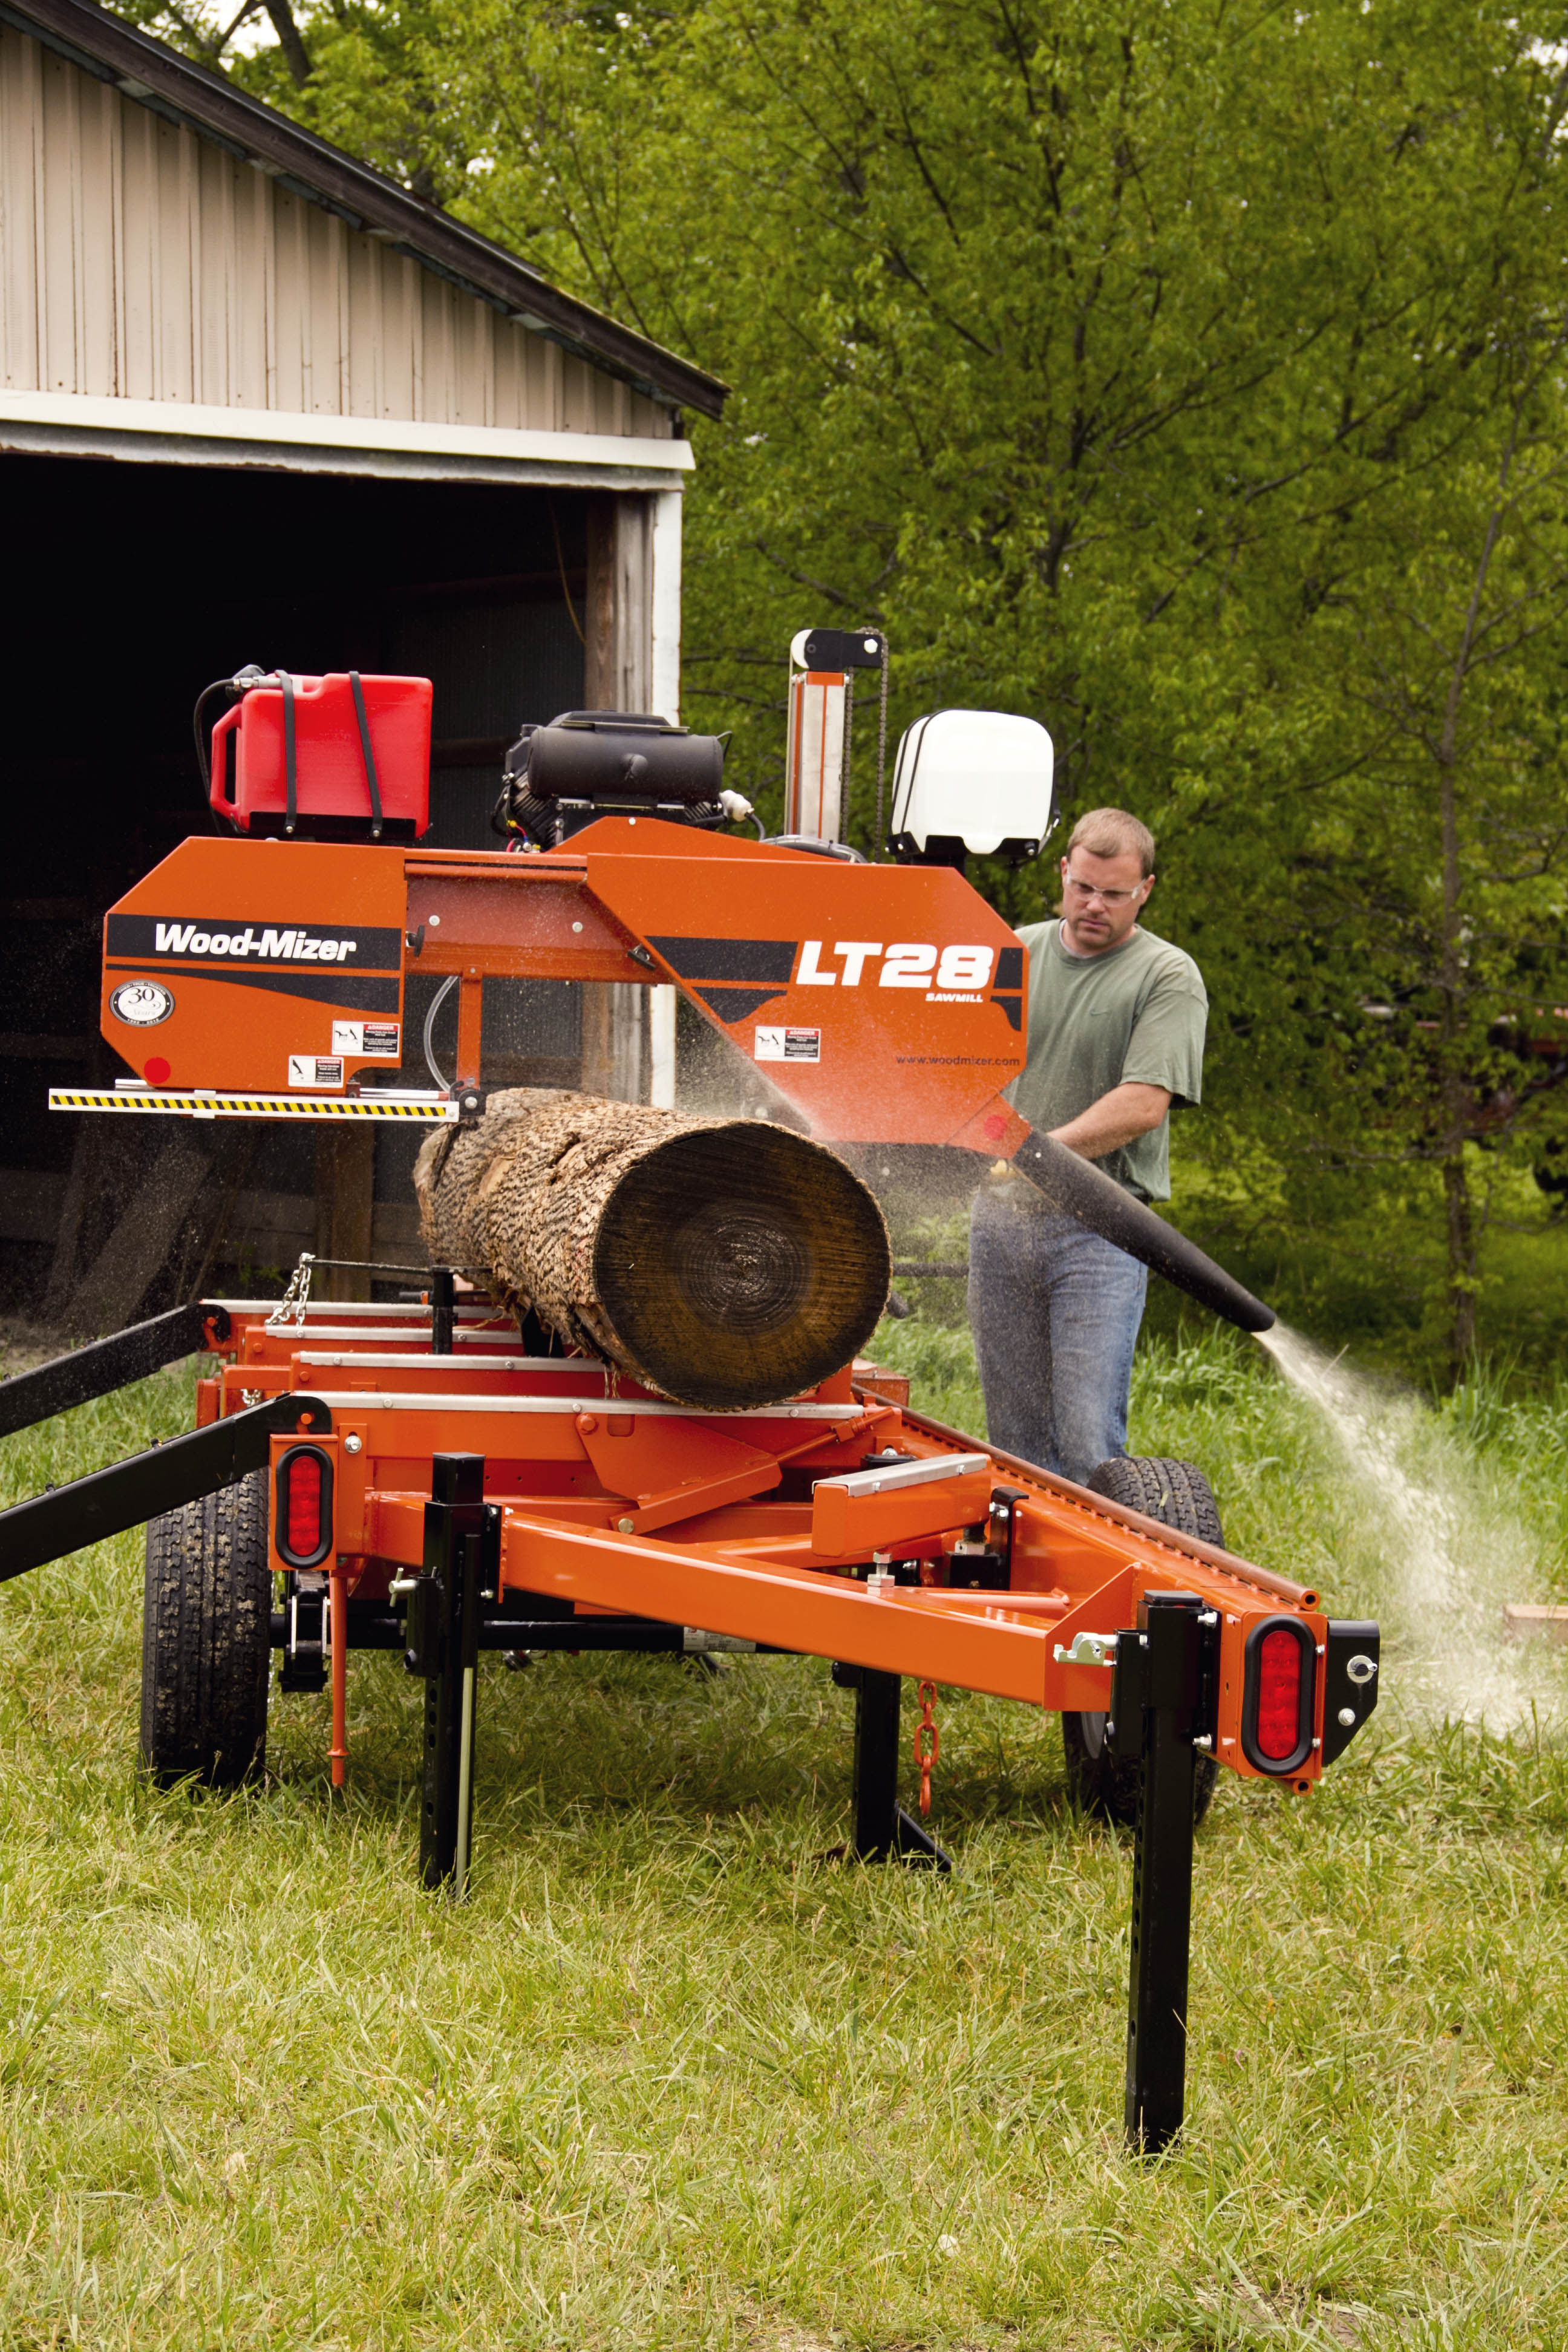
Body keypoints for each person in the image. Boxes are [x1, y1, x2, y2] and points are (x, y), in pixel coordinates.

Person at [967, 806, 1207, 1486]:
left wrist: (1028, 1152)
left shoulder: (1166, 975)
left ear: (1146, 890)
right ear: (1063, 873)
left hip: (1100, 1227)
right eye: (1084, 888)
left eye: (1115, 894)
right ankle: (1027, 1553)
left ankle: (1097, 1551)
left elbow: (1143, 1105)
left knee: (1087, 1441)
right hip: (1000, 1222)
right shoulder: (1012, 954)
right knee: (1013, 1442)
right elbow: (955, 1070)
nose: (1095, 905)